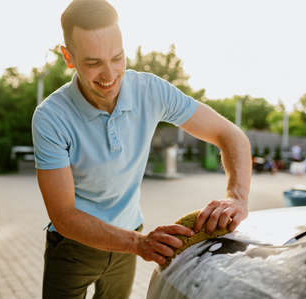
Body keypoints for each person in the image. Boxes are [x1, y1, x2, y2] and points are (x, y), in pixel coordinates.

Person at [32, 1, 251, 298]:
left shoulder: (151, 91)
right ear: (68, 57)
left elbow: (230, 134)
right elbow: (65, 216)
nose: (109, 75)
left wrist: (237, 198)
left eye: (117, 58)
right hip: (74, 247)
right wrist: (138, 243)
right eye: (93, 63)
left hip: (129, 241)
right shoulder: (50, 117)